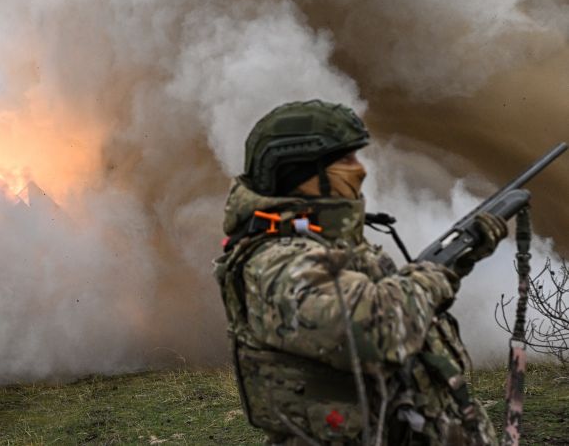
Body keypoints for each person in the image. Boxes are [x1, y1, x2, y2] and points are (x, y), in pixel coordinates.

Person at [213, 100, 507, 445]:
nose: (361, 170)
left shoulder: (324, 246)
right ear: (303, 173)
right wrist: (432, 277)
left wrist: (456, 261)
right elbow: (377, 327)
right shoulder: (278, 261)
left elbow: (399, 304)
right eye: (345, 160)